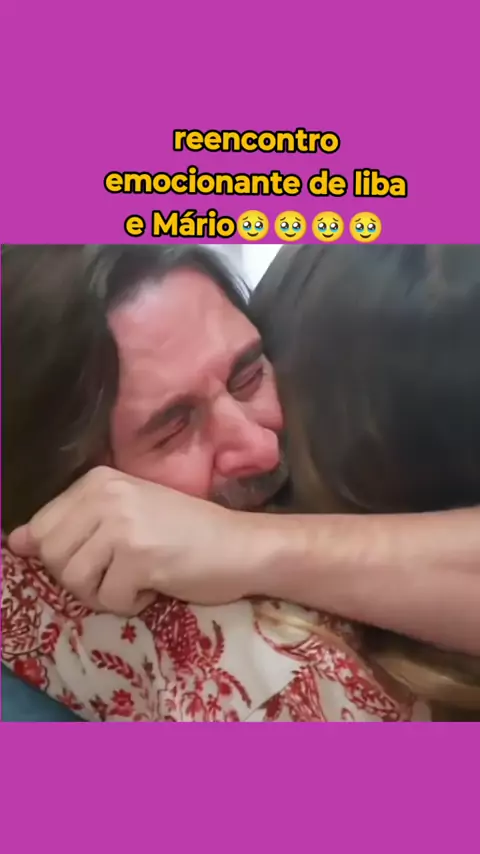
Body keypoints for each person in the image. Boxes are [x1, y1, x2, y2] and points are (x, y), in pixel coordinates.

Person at [2, 245, 478, 721]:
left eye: (248, 376)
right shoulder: (288, 682)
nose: (262, 448)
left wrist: (249, 544)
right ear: (60, 488)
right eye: (174, 429)